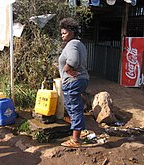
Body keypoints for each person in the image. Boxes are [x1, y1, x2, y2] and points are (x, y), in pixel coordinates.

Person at [58, 17, 89, 148]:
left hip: (73, 81)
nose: (62, 36)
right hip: (79, 80)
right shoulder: (79, 44)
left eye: (64, 33)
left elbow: (73, 60)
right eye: (61, 33)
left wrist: (66, 69)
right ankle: (77, 126)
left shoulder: (72, 44)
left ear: (71, 32)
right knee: (73, 106)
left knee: (75, 108)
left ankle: (76, 140)